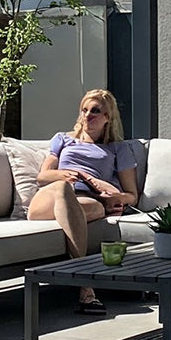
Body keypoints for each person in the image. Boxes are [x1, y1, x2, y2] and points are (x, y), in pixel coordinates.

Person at [27, 89, 138, 315]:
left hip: (88, 201)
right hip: (49, 198)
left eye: (96, 111)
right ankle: (85, 285)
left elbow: (131, 195)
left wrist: (115, 198)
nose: (88, 116)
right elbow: (43, 176)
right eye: (84, 110)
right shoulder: (64, 139)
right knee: (61, 189)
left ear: (108, 117)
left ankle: (81, 280)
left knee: (88, 206)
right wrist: (71, 175)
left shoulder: (118, 148)